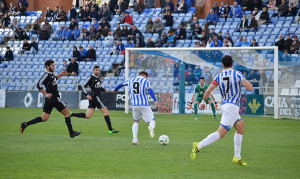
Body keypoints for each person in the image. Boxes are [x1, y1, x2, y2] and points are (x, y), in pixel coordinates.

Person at [191, 55, 253, 166]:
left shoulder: (218, 76)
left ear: (222, 65)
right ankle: (199, 145)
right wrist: (249, 84)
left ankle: (237, 157)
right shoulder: (237, 74)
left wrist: (203, 102)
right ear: (233, 64)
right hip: (232, 106)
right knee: (221, 133)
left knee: (240, 128)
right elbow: (249, 88)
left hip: (226, 105)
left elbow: (208, 91)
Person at [20, 60, 81, 138]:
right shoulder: (46, 75)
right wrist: (45, 94)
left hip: (50, 100)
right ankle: (71, 132)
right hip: (55, 98)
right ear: (47, 66)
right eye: (52, 65)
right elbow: (39, 84)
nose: (54, 67)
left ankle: (26, 124)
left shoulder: (51, 74)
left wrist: (60, 75)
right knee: (67, 113)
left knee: (44, 118)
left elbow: (54, 79)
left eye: (54, 65)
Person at [112, 71, 158, 144]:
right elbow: (150, 90)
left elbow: (121, 84)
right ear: (145, 76)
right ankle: (151, 127)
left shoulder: (131, 80)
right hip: (144, 104)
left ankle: (135, 140)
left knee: (136, 121)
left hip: (134, 105)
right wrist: (155, 100)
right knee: (152, 120)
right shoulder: (145, 81)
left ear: (139, 75)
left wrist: (115, 90)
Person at [70, 65, 120, 133]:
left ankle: (71, 114)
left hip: (93, 99)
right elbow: (83, 86)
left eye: (98, 70)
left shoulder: (98, 79)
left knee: (88, 116)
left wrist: (103, 89)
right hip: (95, 97)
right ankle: (110, 129)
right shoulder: (91, 78)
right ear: (93, 70)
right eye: (96, 70)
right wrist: (86, 94)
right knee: (105, 111)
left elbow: (98, 87)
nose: (97, 71)